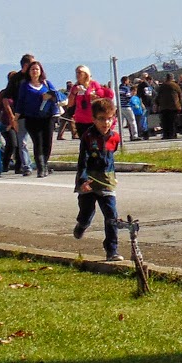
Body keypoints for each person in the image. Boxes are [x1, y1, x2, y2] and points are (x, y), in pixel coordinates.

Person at [72, 97, 123, 263]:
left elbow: (109, 158)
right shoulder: (88, 137)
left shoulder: (114, 137)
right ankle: (82, 224)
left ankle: (112, 250)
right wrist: (83, 180)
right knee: (87, 211)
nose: (105, 123)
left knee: (111, 216)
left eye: (109, 118)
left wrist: (112, 177)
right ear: (94, 119)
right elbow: (83, 160)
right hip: (89, 180)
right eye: (101, 119)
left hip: (106, 181)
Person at [15, 60, 60, 177]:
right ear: (29, 72)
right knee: (38, 142)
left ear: (41, 71)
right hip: (31, 118)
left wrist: (50, 96)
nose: (35, 71)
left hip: (47, 118)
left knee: (47, 143)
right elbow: (20, 102)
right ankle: (40, 168)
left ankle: (45, 165)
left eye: (37, 69)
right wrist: (15, 118)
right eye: (32, 69)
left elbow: (58, 96)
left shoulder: (46, 84)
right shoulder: (25, 85)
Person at [155, 73, 181, 138]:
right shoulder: (176, 85)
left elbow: (158, 96)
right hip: (174, 106)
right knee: (173, 122)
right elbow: (180, 95)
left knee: (165, 122)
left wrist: (157, 104)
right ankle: (173, 134)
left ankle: (166, 135)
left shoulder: (162, 86)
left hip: (164, 107)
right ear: (172, 78)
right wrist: (179, 104)